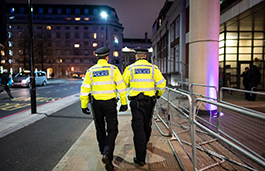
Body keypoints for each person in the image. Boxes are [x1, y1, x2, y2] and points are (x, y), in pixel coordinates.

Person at [80, 47, 128, 171]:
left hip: (96, 104)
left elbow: (84, 89)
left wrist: (84, 105)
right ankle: (107, 154)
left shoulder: (91, 71)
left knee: (100, 128)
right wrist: (124, 103)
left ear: (97, 57)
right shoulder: (114, 70)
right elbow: (121, 87)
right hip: (110, 104)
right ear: (107, 57)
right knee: (112, 130)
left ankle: (103, 150)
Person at [123, 47, 166, 166]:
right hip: (149, 102)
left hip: (136, 102)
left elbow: (123, 84)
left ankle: (140, 158)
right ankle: (145, 142)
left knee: (138, 128)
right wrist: (158, 94)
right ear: (145, 56)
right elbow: (162, 83)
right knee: (147, 125)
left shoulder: (130, 68)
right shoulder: (153, 68)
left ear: (136, 56)